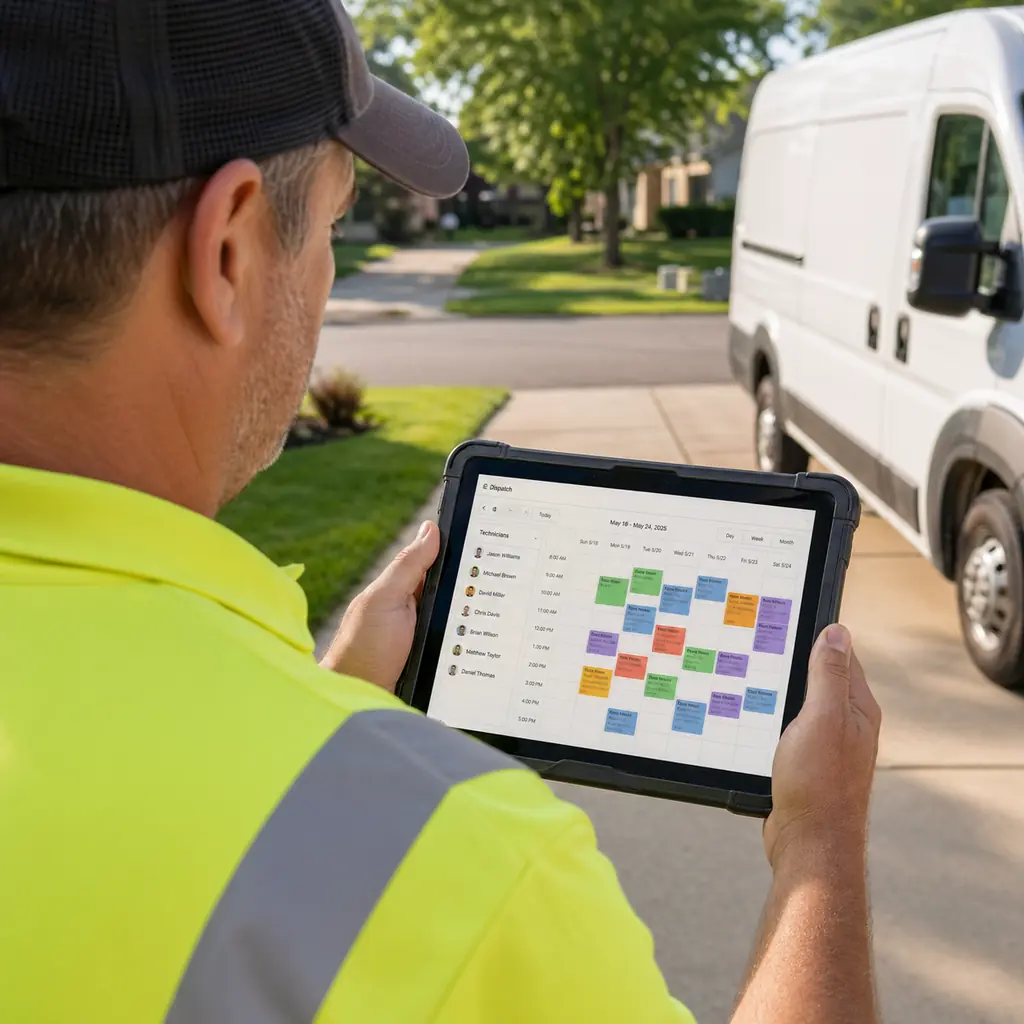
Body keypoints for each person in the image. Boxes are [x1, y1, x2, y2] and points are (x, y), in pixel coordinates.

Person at [0, 1, 882, 1022]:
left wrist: (319, 701)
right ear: (230, 251)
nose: (327, 271)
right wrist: (821, 847)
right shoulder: (464, 868)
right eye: (331, 223)